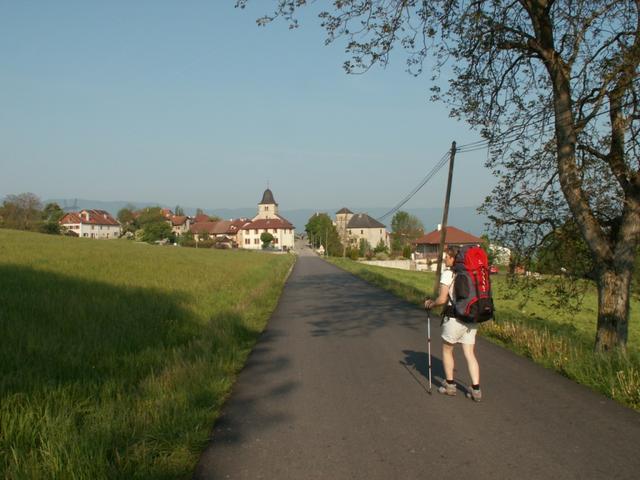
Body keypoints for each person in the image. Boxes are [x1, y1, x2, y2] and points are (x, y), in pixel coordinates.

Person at [424, 247, 482, 402]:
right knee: (470, 353)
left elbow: (442, 299)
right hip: (471, 317)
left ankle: (450, 386)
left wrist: (431, 304)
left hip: (454, 318)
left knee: (447, 350)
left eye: (447, 258)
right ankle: (476, 390)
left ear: (453, 259)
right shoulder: (471, 273)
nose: (445, 260)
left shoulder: (449, 274)